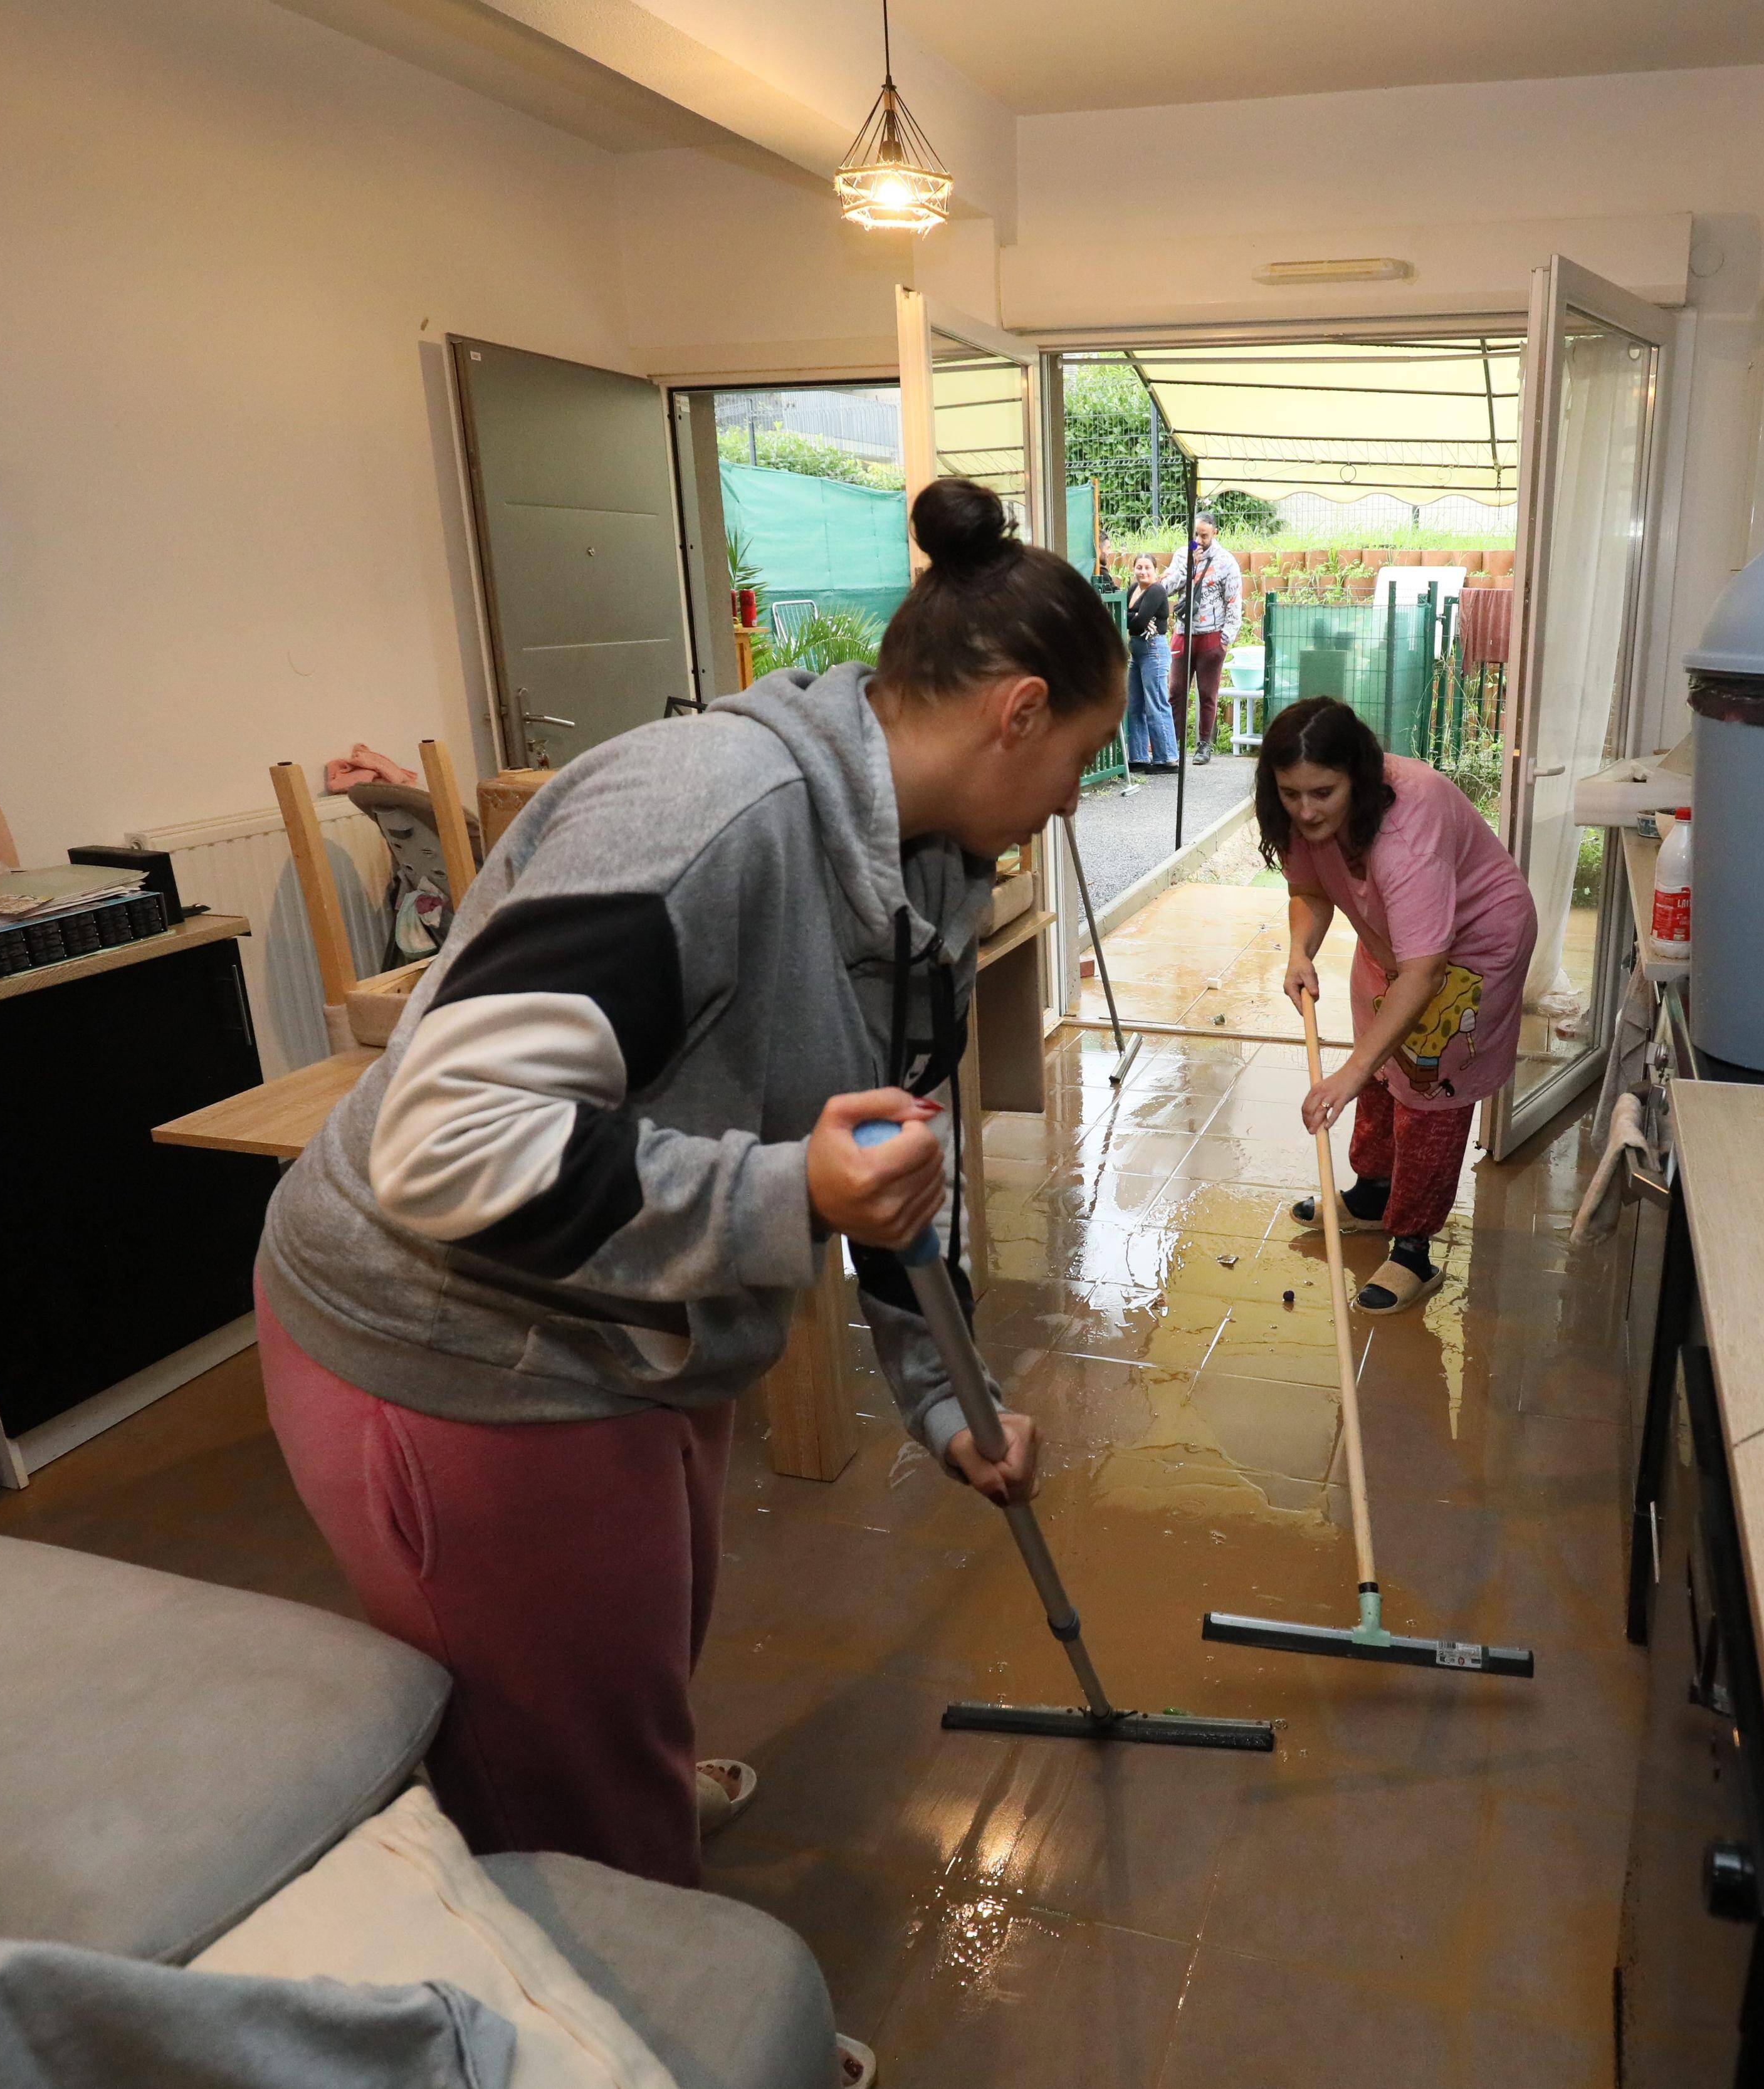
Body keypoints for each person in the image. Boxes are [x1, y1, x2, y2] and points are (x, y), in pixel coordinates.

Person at [253, 476, 1125, 1897]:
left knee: (629, 1669)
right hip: (456, 1349)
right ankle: (645, 1980)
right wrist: (790, 1196)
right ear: (1015, 711)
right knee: (551, 1770)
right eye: (1078, 755)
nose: (1076, 796)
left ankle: (624, 1783)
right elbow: (450, 1139)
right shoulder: (704, 812)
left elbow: (880, 1150)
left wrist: (942, 1393)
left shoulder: (931, 870)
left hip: (630, 1309)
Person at [1260, 696, 1536, 1314]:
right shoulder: (1304, 815)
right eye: (1290, 793)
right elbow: (1308, 889)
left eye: (1322, 793)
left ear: (1356, 777)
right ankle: (1373, 1192)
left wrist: (1347, 1076)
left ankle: (1412, 1245)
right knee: (1382, 1061)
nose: (1305, 811)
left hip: (1470, 945)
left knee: (1426, 1082)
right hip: (1394, 938)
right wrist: (1299, 952)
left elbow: (1425, 972)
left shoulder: (1408, 830)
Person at [1159, 511, 1243, 765]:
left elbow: (1234, 601)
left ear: (1215, 533)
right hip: (1183, 634)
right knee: (1176, 691)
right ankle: (1172, 745)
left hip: (1212, 636)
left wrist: (1226, 638)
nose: (1199, 540)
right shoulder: (1182, 555)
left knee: (1207, 693)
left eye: (1204, 535)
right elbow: (1164, 588)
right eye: (1196, 534)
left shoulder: (1226, 562)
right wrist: (1188, 568)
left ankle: (1204, 745)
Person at [1123, 552, 1178, 773]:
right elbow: (1123, 617)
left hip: (1153, 650)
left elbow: (1138, 624)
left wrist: (1133, 617)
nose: (1143, 572)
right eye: (1139, 567)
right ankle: (1138, 756)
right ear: (1134, 569)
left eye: (1148, 568)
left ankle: (1167, 759)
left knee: (1155, 703)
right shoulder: (1133, 589)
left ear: (1155, 571)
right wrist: (1133, 615)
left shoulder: (1156, 590)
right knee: (1135, 704)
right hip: (1136, 652)